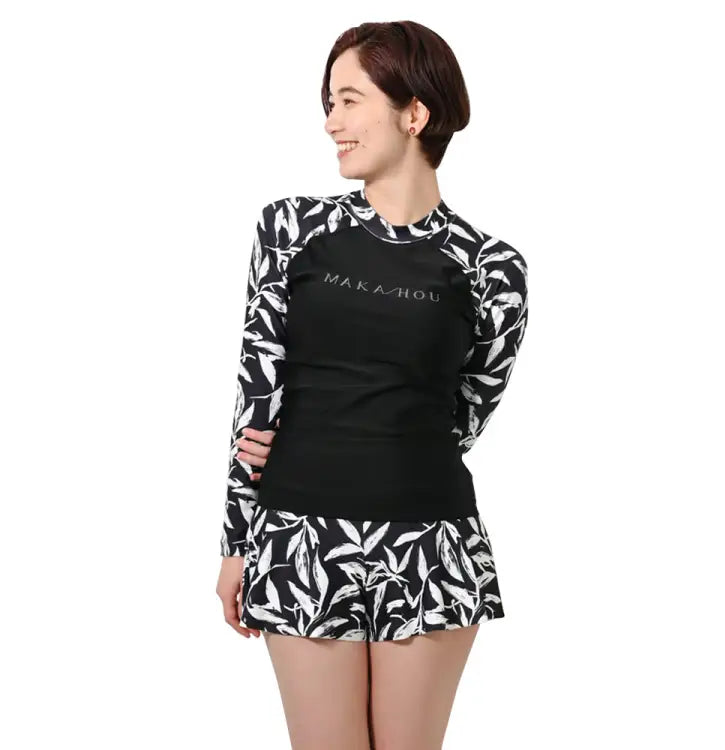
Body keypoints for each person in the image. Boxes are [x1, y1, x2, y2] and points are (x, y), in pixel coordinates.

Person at [216, 20, 529, 750]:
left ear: (414, 113)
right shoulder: (290, 229)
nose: (331, 121)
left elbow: (468, 410)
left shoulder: (493, 267)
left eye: (350, 100)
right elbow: (257, 397)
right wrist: (237, 537)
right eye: (329, 102)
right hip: (299, 536)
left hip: (432, 546)